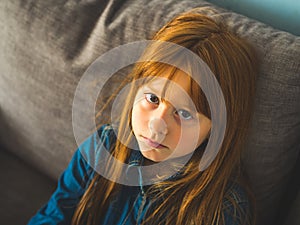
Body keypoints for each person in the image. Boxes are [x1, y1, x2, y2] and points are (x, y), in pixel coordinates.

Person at [28, 10, 257, 225]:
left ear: (217, 128)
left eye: (184, 113)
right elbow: (55, 213)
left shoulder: (224, 207)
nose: (157, 126)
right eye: (153, 99)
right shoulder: (102, 147)